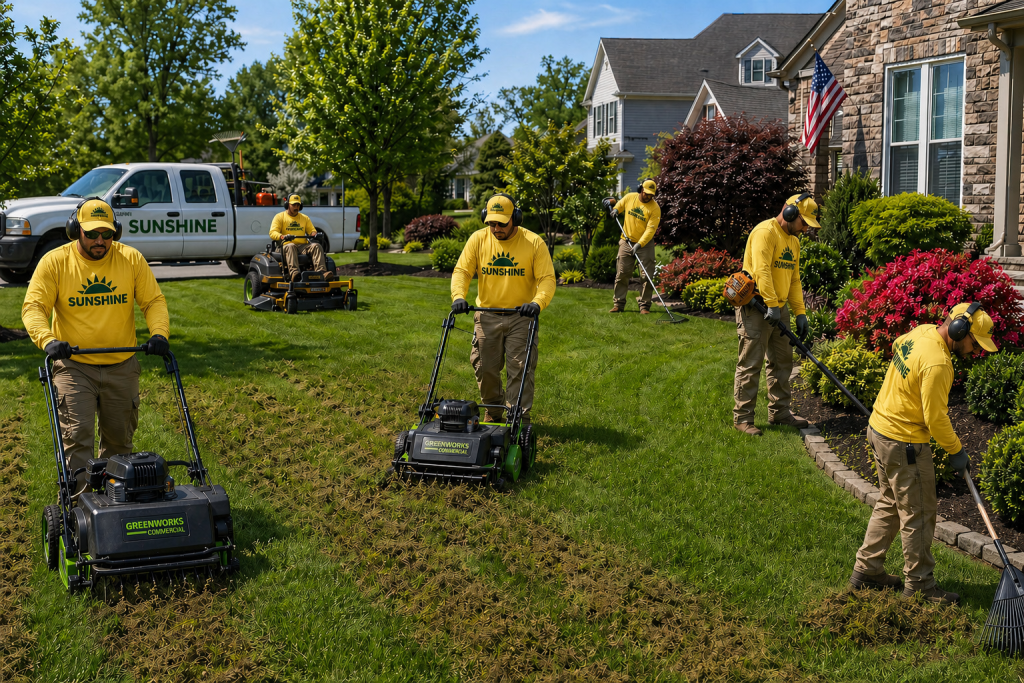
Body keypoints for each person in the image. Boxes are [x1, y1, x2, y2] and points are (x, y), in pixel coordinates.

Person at [849, 303, 995, 605]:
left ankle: (867, 570)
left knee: (889, 502)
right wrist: (957, 451)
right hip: (905, 444)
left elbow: (896, 345)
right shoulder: (939, 363)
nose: (974, 350)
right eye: (974, 342)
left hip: (878, 430)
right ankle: (920, 586)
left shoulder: (922, 332)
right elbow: (936, 418)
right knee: (919, 514)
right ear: (959, 330)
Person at [22, 198, 170, 493]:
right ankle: (81, 509)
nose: (100, 240)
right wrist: (48, 340)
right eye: (91, 234)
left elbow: (153, 301)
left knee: (119, 442)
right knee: (78, 439)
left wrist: (159, 334)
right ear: (75, 230)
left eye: (107, 234)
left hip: (122, 365)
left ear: (116, 231)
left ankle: (116, 503)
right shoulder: (55, 262)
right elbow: (34, 306)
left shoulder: (131, 259)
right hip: (74, 366)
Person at [451, 193, 556, 423]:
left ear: (515, 218)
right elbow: (463, 271)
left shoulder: (533, 242)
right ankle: (494, 410)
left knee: (520, 369)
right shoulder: (478, 240)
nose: (496, 228)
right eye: (491, 223)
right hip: (486, 315)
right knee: (485, 369)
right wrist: (459, 296)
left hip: (521, 316)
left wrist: (537, 303)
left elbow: (547, 278)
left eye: (501, 223)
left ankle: (518, 419)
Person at [734, 193, 819, 436]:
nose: (804, 229)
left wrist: (799, 312)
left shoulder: (793, 242)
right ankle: (742, 418)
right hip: (757, 307)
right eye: (804, 223)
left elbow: (794, 279)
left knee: (783, 362)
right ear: (791, 213)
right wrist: (771, 304)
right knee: (751, 363)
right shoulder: (765, 232)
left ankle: (780, 413)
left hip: (778, 309)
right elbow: (762, 271)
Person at [606, 179, 661, 314]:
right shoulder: (630, 197)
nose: (648, 196)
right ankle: (618, 304)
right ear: (640, 189)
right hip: (626, 241)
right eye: (646, 193)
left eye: (651, 194)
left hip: (645, 244)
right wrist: (615, 210)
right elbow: (619, 205)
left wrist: (639, 244)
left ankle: (644, 306)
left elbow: (650, 230)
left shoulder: (655, 208)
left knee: (646, 276)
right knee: (622, 273)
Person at [270, 194, 332, 282]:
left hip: (302, 246)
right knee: (291, 246)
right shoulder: (279, 217)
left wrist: (314, 234)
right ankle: (294, 273)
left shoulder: (304, 218)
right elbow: (272, 233)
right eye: (294, 205)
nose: (296, 207)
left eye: (298, 205)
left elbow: (312, 231)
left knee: (316, 246)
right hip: (285, 246)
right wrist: (282, 236)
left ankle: (322, 273)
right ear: (288, 204)